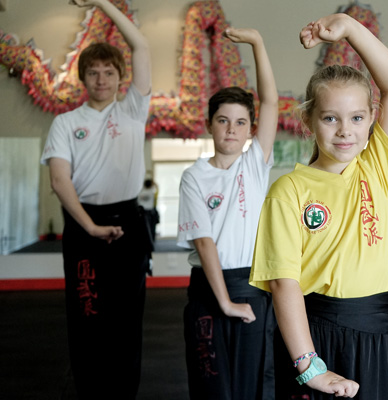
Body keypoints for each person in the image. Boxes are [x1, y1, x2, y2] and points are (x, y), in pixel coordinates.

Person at [250, 13, 388, 399]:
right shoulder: (289, 189)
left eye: (357, 118)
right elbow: (284, 283)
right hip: (317, 336)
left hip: (384, 329)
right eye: (330, 118)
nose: (345, 130)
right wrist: (309, 364)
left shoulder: (379, 167)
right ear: (309, 121)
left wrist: (349, 27)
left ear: (371, 121)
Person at [40, 0, 152, 398]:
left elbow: (140, 46)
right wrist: (89, 226)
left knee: (125, 320)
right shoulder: (66, 123)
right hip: (84, 223)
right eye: (93, 72)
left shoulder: (133, 111)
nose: (101, 79)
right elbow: (59, 178)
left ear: (121, 77)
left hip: (127, 223)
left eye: (109, 72)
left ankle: (124, 393)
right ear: (82, 77)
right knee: (87, 317)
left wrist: (102, 3)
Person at [176, 27, 278, 400]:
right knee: (212, 386)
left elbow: (269, 102)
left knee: (252, 385)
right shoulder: (194, 176)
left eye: (239, 122)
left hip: (251, 286)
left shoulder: (254, 165)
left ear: (250, 129)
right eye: (222, 120)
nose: (231, 129)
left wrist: (257, 43)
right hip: (208, 290)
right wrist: (223, 302)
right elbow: (204, 242)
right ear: (209, 125)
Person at [138, 176, 159, 241]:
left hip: (141, 212)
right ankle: (152, 240)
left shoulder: (140, 192)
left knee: (143, 228)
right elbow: (157, 188)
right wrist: (154, 183)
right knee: (152, 227)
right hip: (150, 212)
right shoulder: (153, 192)